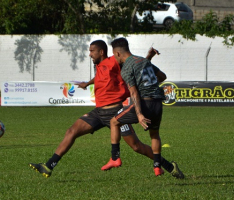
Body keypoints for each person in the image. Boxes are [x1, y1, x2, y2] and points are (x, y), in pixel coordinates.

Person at [29, 40, 171, 178]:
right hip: (98, 113)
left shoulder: (114, 61)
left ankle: (167, 165)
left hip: (115, 112)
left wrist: (148, 57)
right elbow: (99, 77)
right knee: (71, 131)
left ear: (101, 52)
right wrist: (87, 83)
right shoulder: (100, 66)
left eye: (92, 51)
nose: (89, 54)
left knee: (136, 147)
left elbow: (135, 66)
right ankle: (48, 166)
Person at [109, 37, 184, 178]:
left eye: (114, 55)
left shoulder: (126, 68)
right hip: (158, 103)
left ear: (117, 53)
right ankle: (157, 167)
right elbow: (162, 76)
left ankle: (115, 158)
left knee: (114, 122)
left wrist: (139, 114)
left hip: (144, 103)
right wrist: (148, 60)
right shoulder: (143, 61)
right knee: (154, 134)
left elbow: (133, 92)